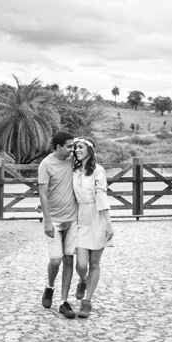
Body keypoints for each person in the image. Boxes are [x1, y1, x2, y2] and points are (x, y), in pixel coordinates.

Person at [37, 130, 79, 319]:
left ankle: (63, 302)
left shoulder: (73, 160)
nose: (72, 149)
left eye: (73, 146)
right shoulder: (46, 164)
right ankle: (50, 286)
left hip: (72, 218)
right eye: (69, 146)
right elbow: (43, 193)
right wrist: (46, 221)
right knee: (56, 260)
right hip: (53, 219)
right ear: (58, 146)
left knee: (69, 259)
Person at [71, 138, 114, 319]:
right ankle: (82, 280)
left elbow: (101, 194)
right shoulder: (73, 170)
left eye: (80, 147)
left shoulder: (98, 170)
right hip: (81, 216)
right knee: (81, 264)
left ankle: (87, 302)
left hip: (97, 216)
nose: (77, 150)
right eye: (75, 148)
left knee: (94, 263)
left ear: (89, 149)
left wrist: (108, 222)